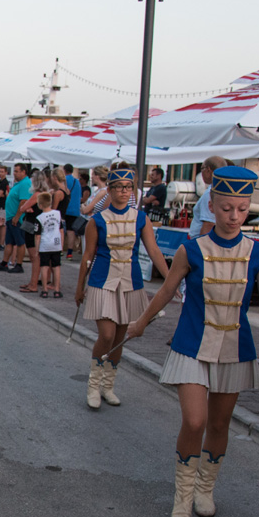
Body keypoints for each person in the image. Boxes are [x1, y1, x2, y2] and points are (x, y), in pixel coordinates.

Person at [125, 167, 259, 517]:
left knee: (219, 422)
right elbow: (166, 291)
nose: (233, 216)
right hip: (192, 345)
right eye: (226, 208)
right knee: (194, 421)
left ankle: (204, 489)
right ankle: (182, 495)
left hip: (235, 348)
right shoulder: (191, 249)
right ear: (211, 205)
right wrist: (140, 323)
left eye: (242, 209)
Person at [75, 166, 170, 410]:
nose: (124, 192)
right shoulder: (97, 221)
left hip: (130, 282)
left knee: (119, 338)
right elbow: (88, 255)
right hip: (102, 281)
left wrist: (171, 279)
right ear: (109, 190)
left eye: (128, 187)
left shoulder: (141, 218)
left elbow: (154, 251)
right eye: (118, 187)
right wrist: (80, 287)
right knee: (106, 335)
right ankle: (93, 385)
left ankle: (108, 386)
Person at [0, 163, 32, 274]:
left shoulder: (25, 184)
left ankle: (19, 264)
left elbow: (23, 201)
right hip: (10, 217)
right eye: (14, 171)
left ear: (23, 172)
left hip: (17, 218)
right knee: (9, 242)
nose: (14, 173)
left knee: (20, 242)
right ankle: (4, 262)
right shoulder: (18, 183)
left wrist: (17, 216)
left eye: (16, 171)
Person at [36, 190, 63, 298]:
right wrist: (62, 243)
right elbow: (61, 230)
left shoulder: (39, 218)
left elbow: (37, 236)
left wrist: (37, 250)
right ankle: (56, 289)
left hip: (45, 245)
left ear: (40, 205)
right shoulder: (57, 214)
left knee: (44, 266)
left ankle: (44, 289)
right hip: (56, 244)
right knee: (56, 267)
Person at [62, 163, 82, 259]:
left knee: (61, 229)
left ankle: (60, 250)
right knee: (71, 230)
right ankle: (69, 252)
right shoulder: (77, 181)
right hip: (75, 209)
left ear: (64, 170)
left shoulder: (64, 180)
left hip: (65, 208)